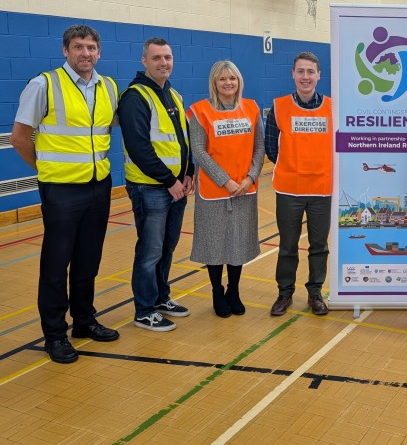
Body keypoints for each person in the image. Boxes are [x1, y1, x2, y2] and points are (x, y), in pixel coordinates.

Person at [10, 25, 120, 363]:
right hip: (61, 191)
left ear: (99, 52)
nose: (85, 53)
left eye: (91, 47)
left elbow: (105, 131)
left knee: (89, 260)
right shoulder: (43, 84)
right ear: (65, 51)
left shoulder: (109, 86)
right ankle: (55, 335)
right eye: (78, 47)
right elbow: (19, 137)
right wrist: (47, 171)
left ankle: (84, 321)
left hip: (99, 186)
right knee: (56, 266)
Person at [118, 37, 195, 332]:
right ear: (144, 61)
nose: (164, 63)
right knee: (150, 251)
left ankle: (162, 298)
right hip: (150, 188)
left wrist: (187, 173)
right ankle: (144, 309)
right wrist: (170, 181)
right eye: (157, 58)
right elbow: (139, 148)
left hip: (176, 186)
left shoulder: (173, 95)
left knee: (167, 248)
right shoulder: (135, 97)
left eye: (168, 57)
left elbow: (183, 140)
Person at [188, 61, 265, 317]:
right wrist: (226, 181)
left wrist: (250, 177)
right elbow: (199, 151)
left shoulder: (252, 108)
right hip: (214, 192)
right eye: (222, 79)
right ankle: (216, 291)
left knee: (238, 242)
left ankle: (234, 290)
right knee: (215, 244)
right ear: (214, 83)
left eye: (232, 78)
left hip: (244, 189)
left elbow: (259, 147)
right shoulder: (200, 111)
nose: (228, 83)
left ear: (239, 81)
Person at [265, 51, 332, 317]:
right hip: (289, 189)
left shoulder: (331, 107)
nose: (305, 77)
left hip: (321, 189)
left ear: (318, 75)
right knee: (288, 245)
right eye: (301, 71)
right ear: (293, 74)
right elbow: (271, 147)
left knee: (319, 245)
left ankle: (315, 293)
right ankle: (285, 293)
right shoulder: (279, 107)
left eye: (310, 72)